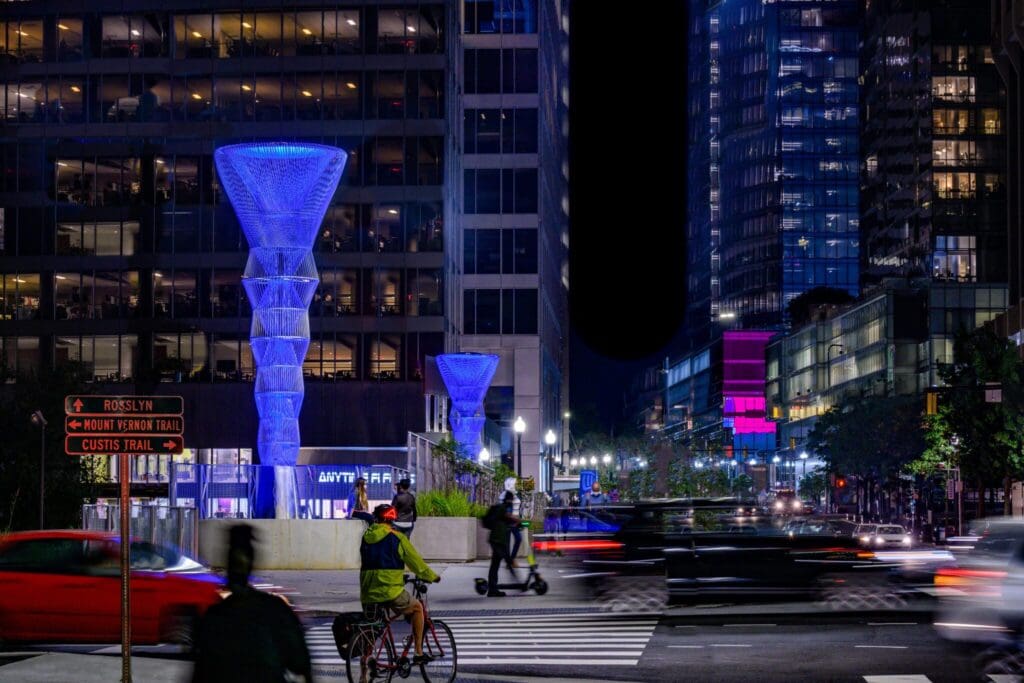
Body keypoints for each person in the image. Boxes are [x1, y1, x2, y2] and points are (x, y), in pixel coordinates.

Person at [192, 524, 311, 683]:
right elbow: (301, 663)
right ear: (252, 562)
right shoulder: (274, 611)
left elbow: (200, 673)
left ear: (227, 564)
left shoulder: (213, 618)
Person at [360, 503, 440, 664]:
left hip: (368, 592)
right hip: (390, 591)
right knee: (417, 608)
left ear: (376, 518)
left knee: (373, 630)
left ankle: (364, 669)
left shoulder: (366, 537)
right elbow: (416, 563)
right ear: (392, 519)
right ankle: (418, 653)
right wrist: (432, 576)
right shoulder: (397, 537)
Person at [483, 491, 520, 597]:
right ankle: (494, 588)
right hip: (498, 540)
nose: (512, 502)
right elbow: (509, 517)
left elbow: (508, 519)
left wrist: (515, 522)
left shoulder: (502, 508)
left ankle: (493, 588)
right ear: (509, 499)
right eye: (511, 500)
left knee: (496, 563)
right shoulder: (502, 508)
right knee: (503, 561)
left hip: (497, 539)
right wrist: (518, 521)